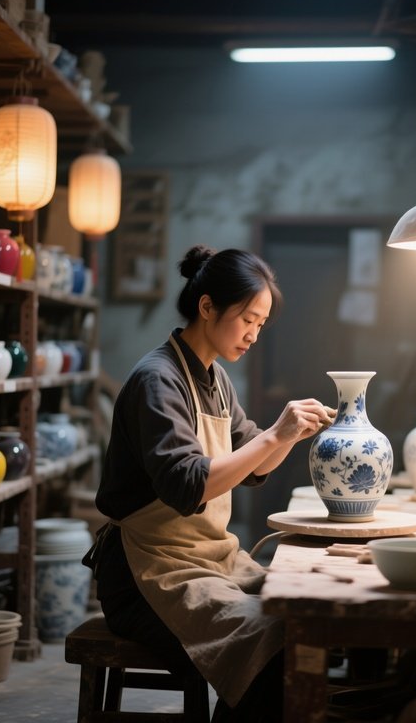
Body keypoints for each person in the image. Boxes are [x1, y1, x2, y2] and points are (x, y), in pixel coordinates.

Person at [84, 244, 334, 721]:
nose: (254, 335)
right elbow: (187, 486)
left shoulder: (216, 379)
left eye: (261, 325)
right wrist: (275, 434)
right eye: (247, 320)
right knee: (268, 644)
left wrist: (291, 435)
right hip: (146, 573)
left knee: (302, 614)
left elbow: (254, 466)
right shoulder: (157, 381)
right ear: (207, 307)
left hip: (204, 557)